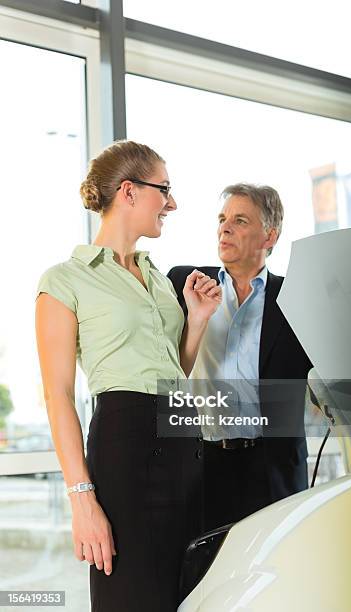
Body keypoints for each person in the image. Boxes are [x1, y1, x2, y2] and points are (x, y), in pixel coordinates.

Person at [35, 140, 222, 612]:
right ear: (129, 191)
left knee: (188, 598)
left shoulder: (159, 278)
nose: (172, 203)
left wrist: (196, 320)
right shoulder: (64, 280)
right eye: (164, 189)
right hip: (126, 448)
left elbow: (171, 373)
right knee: (133, 597)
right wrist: (82, 500)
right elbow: (58, 396)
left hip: (183, 438)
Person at [168, 183, 313, 531]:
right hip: (203, 466)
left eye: (240, 220)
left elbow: (329, 371)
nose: (225, 227)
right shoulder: (184, 284)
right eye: (222, 219)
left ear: (268, 236)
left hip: (272, 470)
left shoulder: (297, 297)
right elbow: (162, 362)